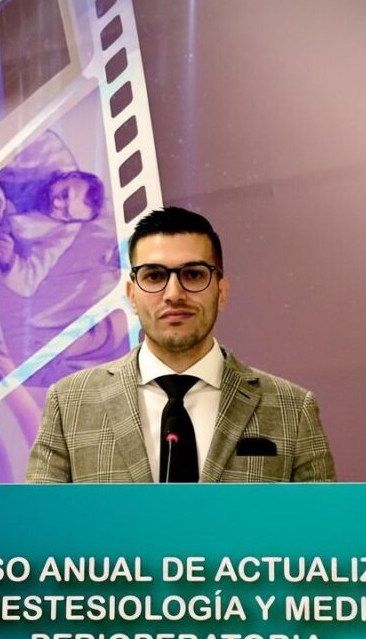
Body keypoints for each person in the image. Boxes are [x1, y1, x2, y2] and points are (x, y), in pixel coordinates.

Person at [26, 206, 336, 483]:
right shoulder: (69, 404)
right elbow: (38, 523)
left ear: (222, 292)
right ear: (132, 295)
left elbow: (323, 525)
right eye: (154, 276)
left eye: (193, 274)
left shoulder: (293, 409)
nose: (174, 294)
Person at [0, 171, 105, 298]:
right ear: (71, 176)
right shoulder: (51, 161)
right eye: (65, 194)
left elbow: (28, 283)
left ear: (70, 221)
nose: (56, 203)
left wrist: (9, 259)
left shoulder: (64, 232)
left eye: (65, 212)